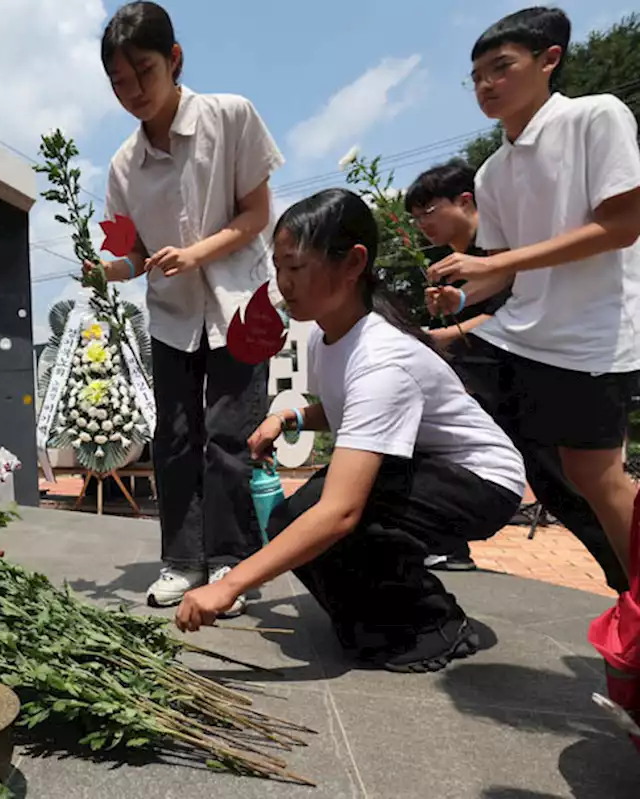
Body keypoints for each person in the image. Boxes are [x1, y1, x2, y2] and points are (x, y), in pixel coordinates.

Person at [176, 189, 525, 673]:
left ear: (353, 262)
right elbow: (345, 408)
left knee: (336, 519)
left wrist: (228, 584)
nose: (283, 283)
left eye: (296, 267)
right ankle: (376, 619)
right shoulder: (327, 335)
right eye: (278, 268)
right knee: (287, 519)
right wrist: (289, 418)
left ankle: (433, 621)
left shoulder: (383, 358)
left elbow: (340, 512)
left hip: (481, 482)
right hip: (421, 469)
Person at [427, 7, 640, 578]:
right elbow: (502, 272)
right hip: (519, 333)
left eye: (500, 69)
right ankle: (424, 530)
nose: (485, 87)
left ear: (550, 61)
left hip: (593, 337)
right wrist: (464, 294)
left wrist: (492, 266)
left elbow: (622, 225)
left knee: (592, 477)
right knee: (433, 383)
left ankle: (631, 590)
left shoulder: (597, 117)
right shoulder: (492, 171)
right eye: (475, 78)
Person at [94, 1, 284, 611]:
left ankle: (232, 562)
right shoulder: (123, 166)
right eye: (119, 83)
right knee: (173, 439)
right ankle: (180, 560)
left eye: (143, 72)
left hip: (240, 304)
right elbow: (129, 254)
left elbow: (257, 215)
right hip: (174, 316)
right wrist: (104, 270)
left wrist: (199, 253)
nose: (133, 93)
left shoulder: (230, 117)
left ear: (174, 60)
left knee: (229, 436)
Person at [408, 160, 631, 589]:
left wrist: (442, 335)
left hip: (546, 365)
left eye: (428, 211)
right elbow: (491, 300)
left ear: (467, 201)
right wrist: (454, 304)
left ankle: (627, 579)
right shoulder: (475, 260)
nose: (421, 224)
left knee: (573, 481)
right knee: (556, 480)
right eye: (415, 217)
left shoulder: (502, 244)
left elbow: (510, 309)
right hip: (507, 370)